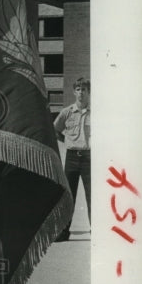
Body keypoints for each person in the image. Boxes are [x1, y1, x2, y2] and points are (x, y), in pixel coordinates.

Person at [53, 76, 91, 241]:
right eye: (78, 90)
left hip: (90, 157)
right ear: (74, 92)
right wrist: (68, 141)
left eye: (83, 90)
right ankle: (63, 232)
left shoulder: (95, 113)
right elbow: (55, 130)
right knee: (68, 195)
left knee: (92, 196)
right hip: (72, 157)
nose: (80, 93)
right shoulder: (67, 112)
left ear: (88, 92)